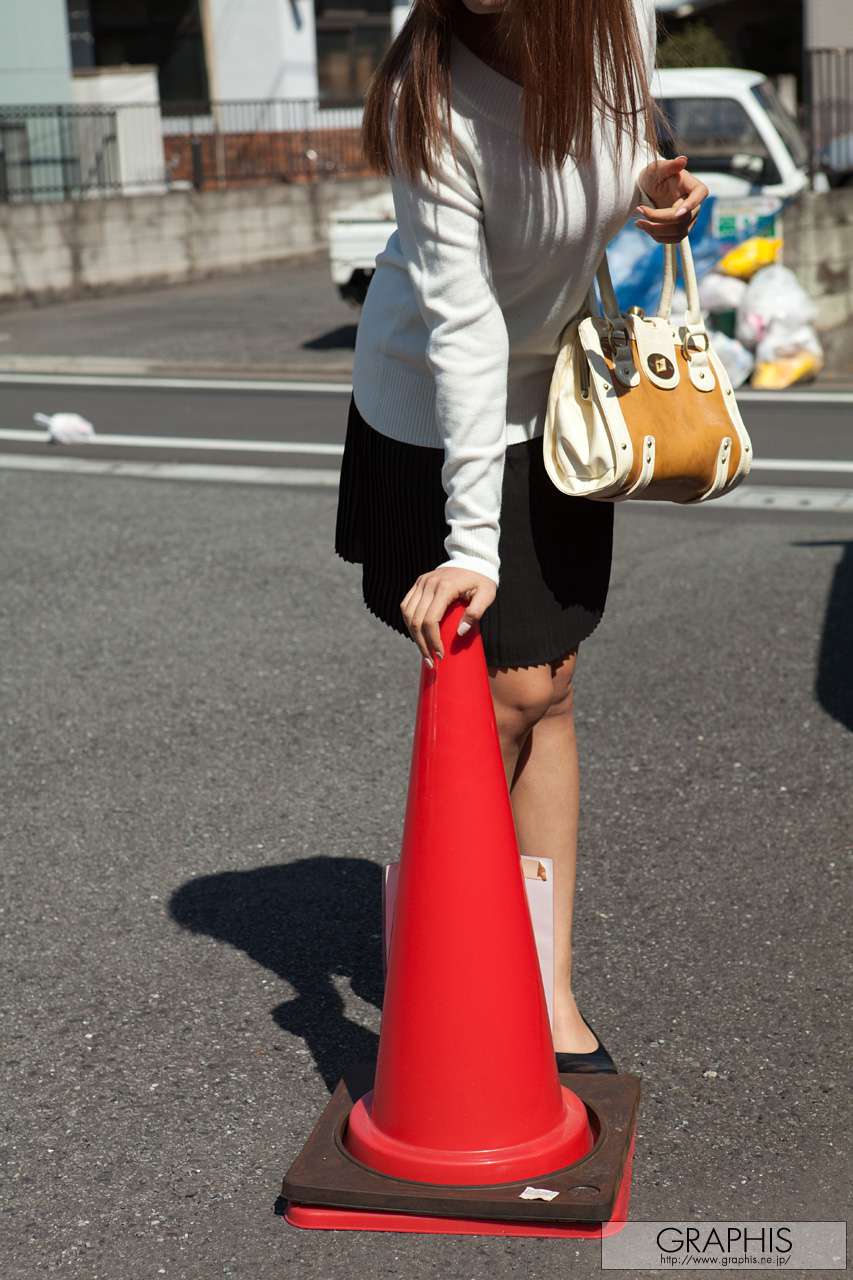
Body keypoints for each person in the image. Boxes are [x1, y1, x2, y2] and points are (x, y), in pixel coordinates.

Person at [335, 0, 708, 1070]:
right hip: (434, 411)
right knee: (499, 692)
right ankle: (443, 972)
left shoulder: (618, 18)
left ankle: (542, 986)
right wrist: (471, 545)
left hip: (561, 398)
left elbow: (617, 149)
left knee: (553, 684)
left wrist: (650, 194)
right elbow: (462, 332)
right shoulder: (428, 98)